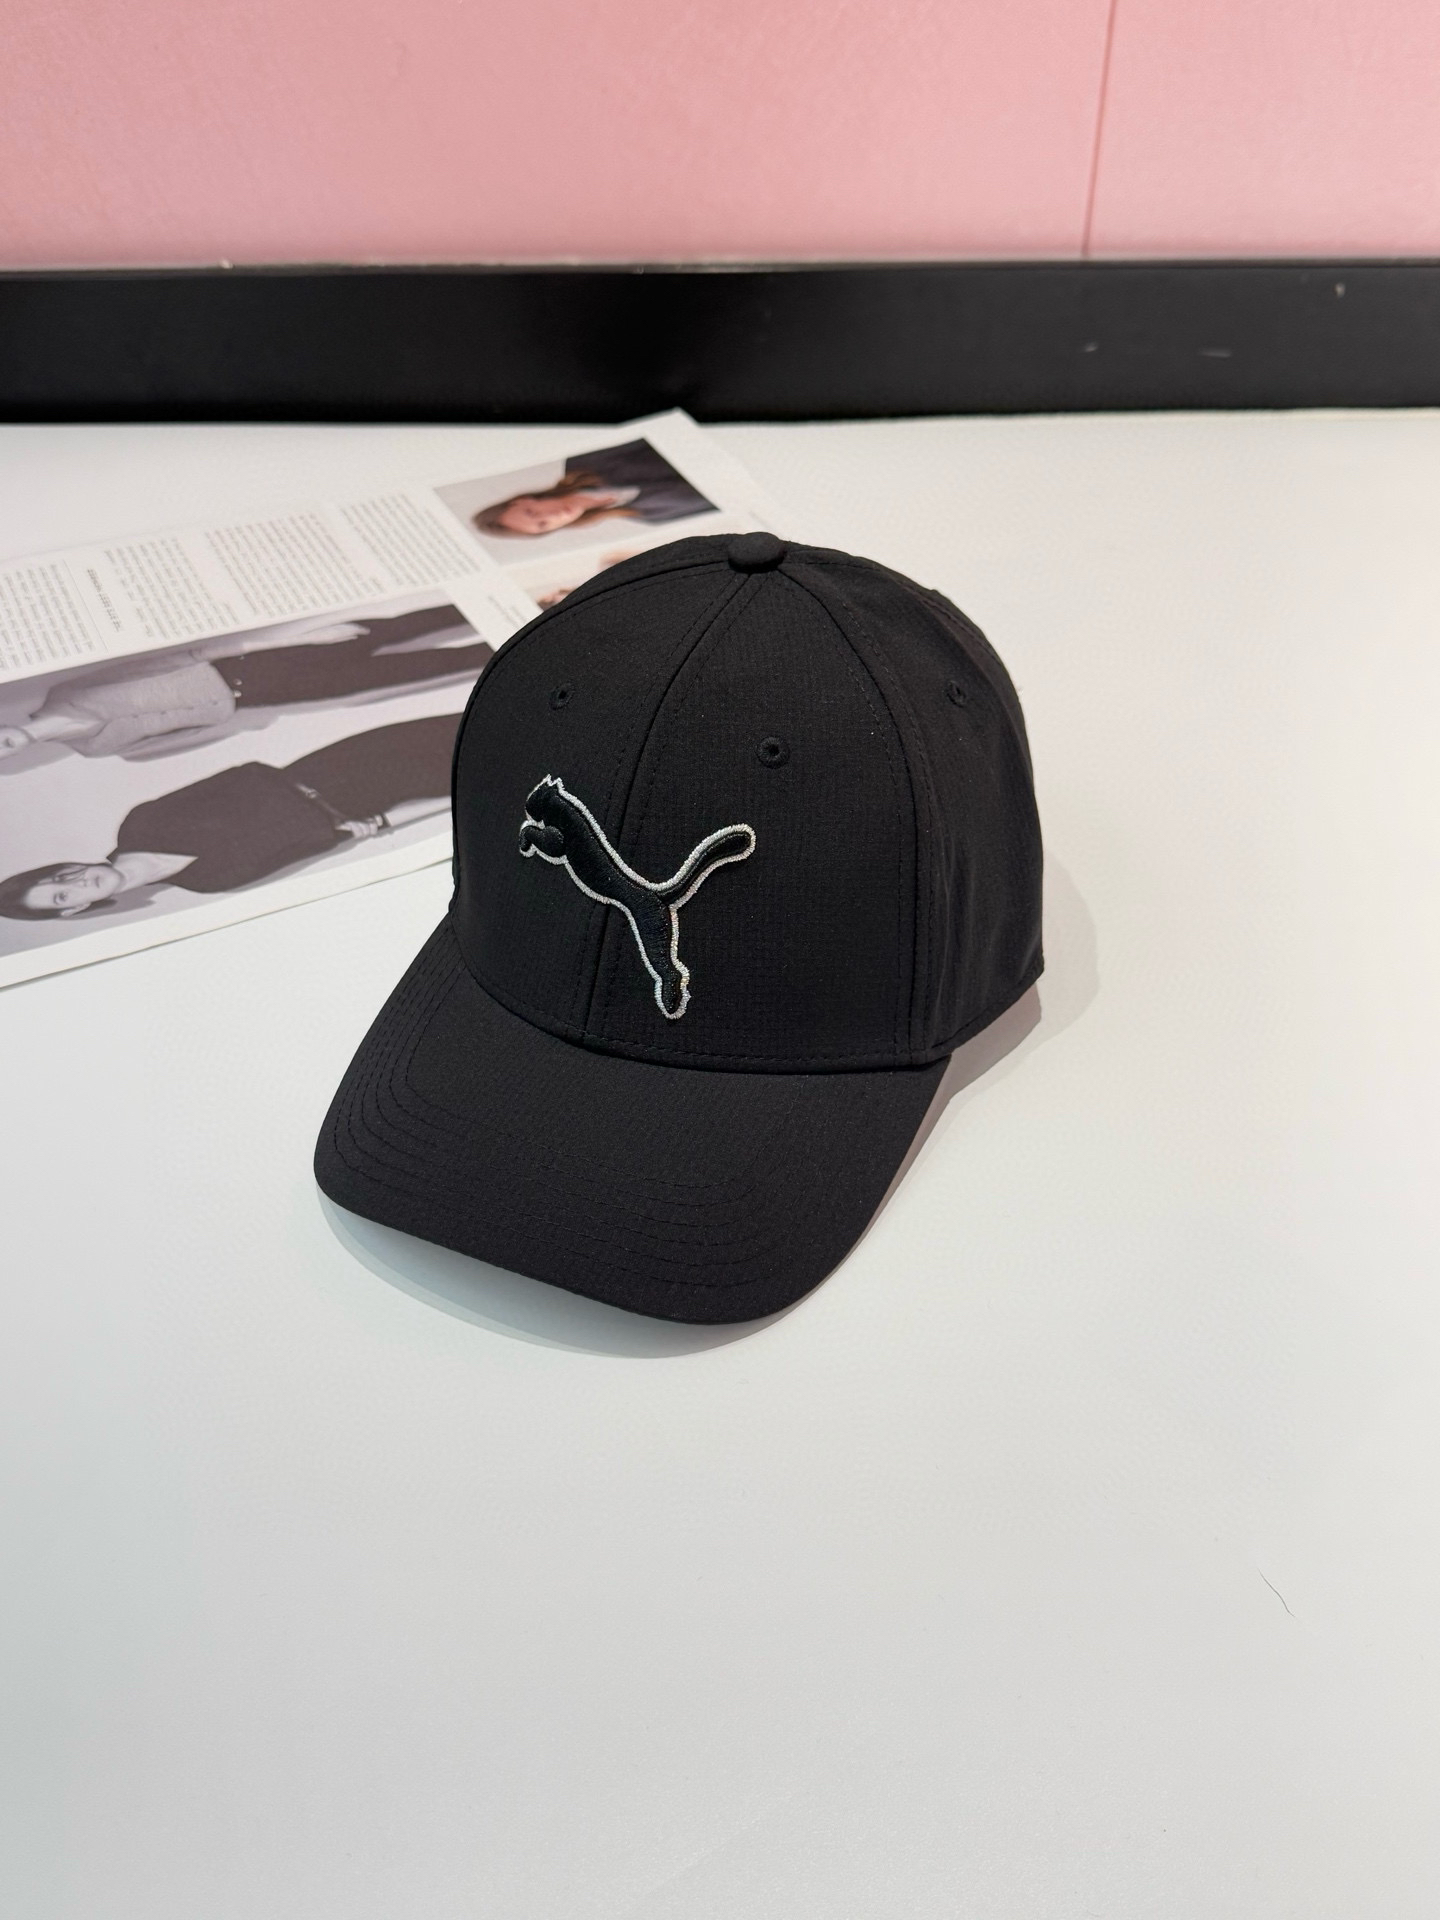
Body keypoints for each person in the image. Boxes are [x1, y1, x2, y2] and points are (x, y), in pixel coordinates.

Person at [0, 715, 458, 921]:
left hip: (329, 769)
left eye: (60, 875)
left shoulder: (141, 824)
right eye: (63, 895)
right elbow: (317, 844)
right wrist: (339, 827)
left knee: (462, 722)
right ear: (75, 909)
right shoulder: (207, 883)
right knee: (478, 763)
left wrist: (311, 820)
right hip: (365, 807)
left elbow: (246, 775)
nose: (77, 882)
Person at [0, 607, 491, 764]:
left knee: (398, 629)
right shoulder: (94, 749)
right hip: (261, 697)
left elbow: (180, 657)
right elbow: (175, 739)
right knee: (409, 671)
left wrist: (298, 637)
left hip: (255, 664)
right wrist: (235, 724)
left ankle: (493, 601)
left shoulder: (66, 693)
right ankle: (504, 644)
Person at [471, 440, 715, 540]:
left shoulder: (584, 459)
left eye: (532, 513)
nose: (552, 517)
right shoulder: (650, 517)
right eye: (543, 525)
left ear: (524, 499)